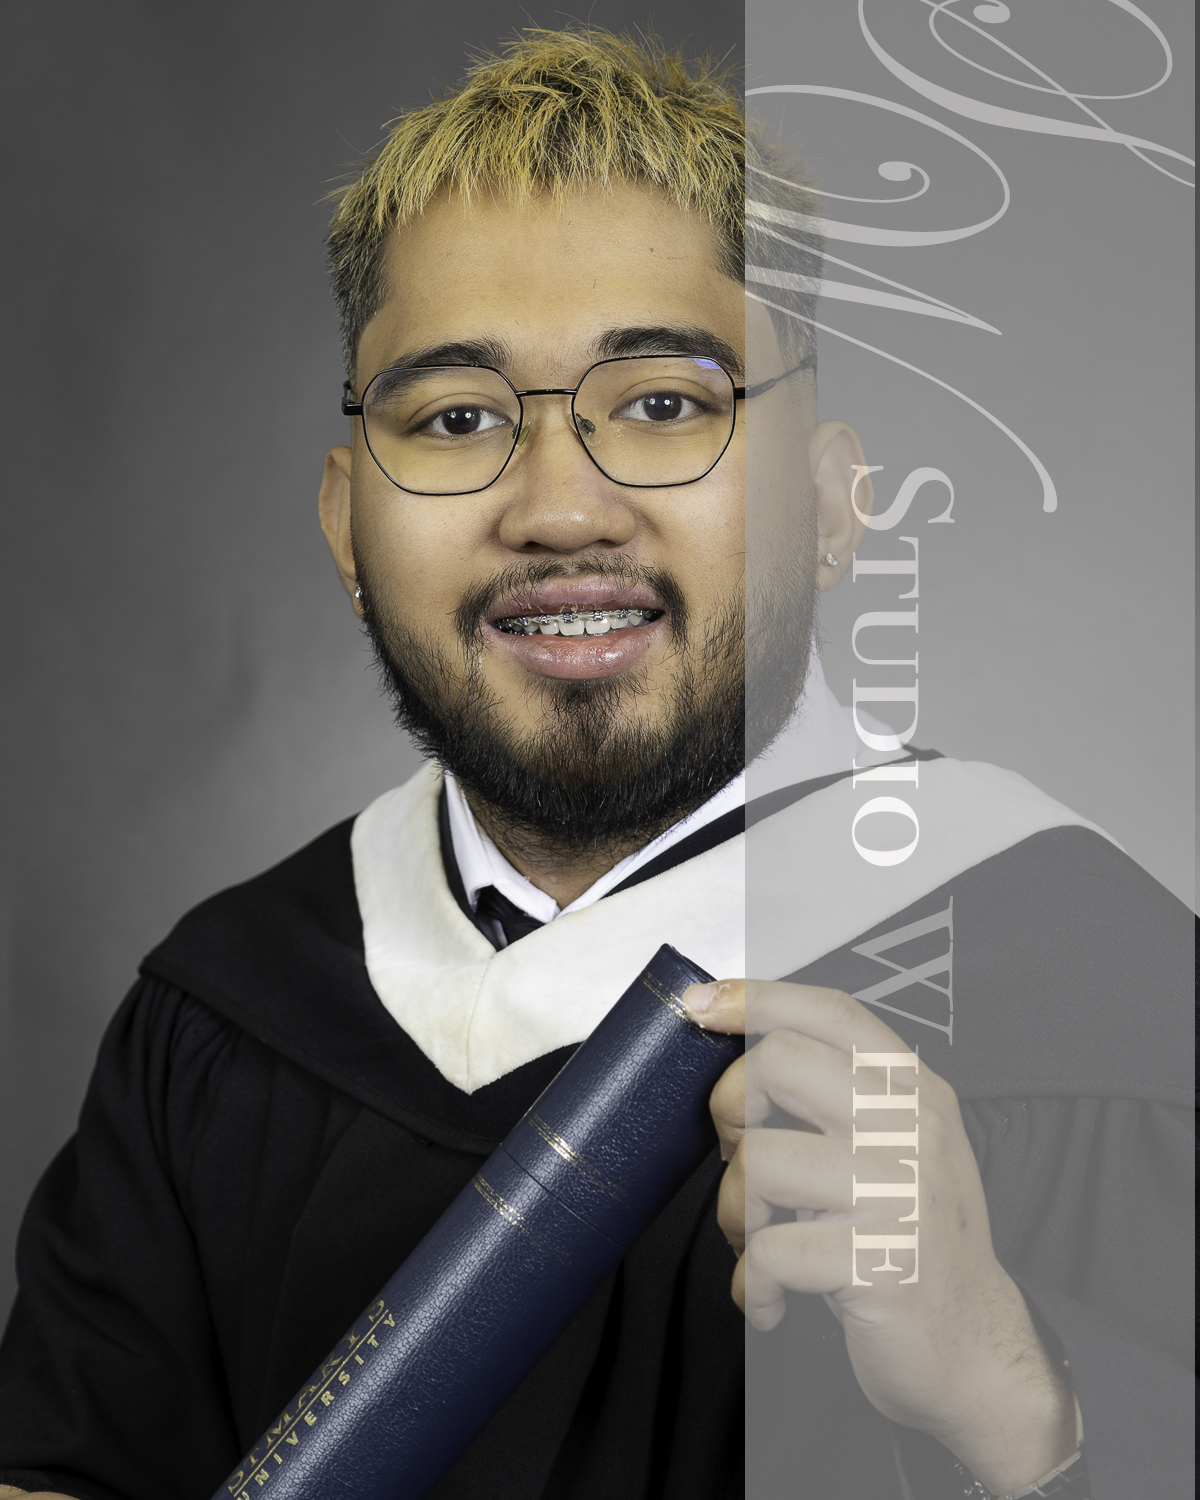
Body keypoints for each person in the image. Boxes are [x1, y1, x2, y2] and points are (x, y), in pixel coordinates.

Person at [0, 28, 1190, 1500]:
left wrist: (1020, 1396)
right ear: (346, 526)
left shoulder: (1108, 1007)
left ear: (833, 505)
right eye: (456, 420)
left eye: (668, 403)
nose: (562, 510)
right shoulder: (224, 1010)